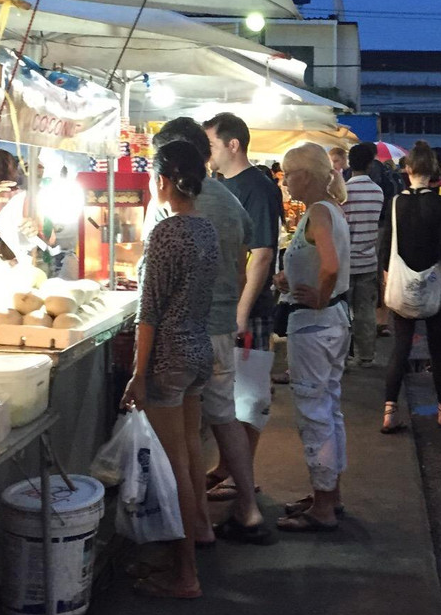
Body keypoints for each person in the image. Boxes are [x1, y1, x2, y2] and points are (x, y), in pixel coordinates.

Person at [147, 118, 267, 541]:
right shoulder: (229, 202)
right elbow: (242, 259)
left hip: (180, 334)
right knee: (221, 417)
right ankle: (243, 509)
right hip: (217, 325)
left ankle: (186, 538)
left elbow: (152, 287)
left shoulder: (168, 209)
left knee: (180, 444)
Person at [120, 141, 219, 598]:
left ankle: (186, 575)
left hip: (169, 359)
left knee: (173, 464)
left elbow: (149, 311)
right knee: (191, 456)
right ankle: (199, 533)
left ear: (161, 180)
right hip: (199, 352)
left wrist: (139, 374)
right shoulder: (206, 229)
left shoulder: (165, 233)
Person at [274, 143, 351, 531]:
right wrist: (296, 280)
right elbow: (324, 263)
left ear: (306, 175)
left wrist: (318, 297)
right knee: (329, 408)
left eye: (289, 173)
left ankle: (322, 505)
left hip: (316, 324)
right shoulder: (329, 210)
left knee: (314, 412)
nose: (285, 181)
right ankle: (328, 494)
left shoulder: (318, 212)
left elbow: (331, 267)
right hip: (334, 320)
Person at [203, 113, 284, 466]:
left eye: (211, 145)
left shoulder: (258, 188)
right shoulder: (221, 185)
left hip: (250, 312)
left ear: (232, 144)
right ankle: (228, 470)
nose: (207, 153)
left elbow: (263, 255)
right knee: (226, 398)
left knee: (248, 397)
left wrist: (241, 313)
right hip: (223, 309)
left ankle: (241, 477)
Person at [379, 141, 441, 432]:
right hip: (435, 283)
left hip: (401, 282)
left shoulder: (396, 202)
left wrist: (387, 280)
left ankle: (389, 412)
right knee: (438, 348)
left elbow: (387, 246)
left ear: (407, 169)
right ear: (435, 171)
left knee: (400, 348)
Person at [343, 143, 385, 369]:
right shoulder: (378, 192)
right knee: (365, 311)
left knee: (343, 311)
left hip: (346, 261)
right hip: (368, 260)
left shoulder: (343, 192)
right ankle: (367, 355)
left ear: (350, 163)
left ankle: (345, 355)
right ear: (370, 164)